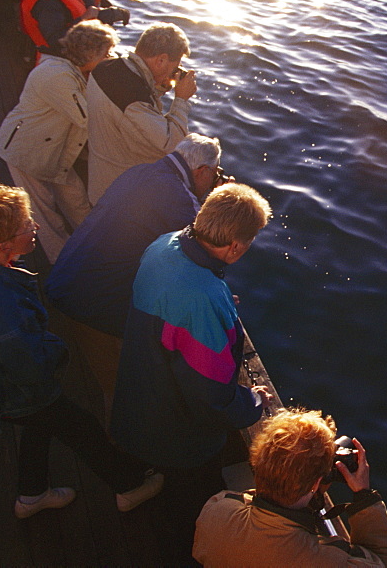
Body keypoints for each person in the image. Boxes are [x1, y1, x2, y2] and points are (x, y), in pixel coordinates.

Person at [0, 185, 164, 519]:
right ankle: (130, 487)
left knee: (40, 424)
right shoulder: (5, 312)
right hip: (10, 388)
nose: (34, 227)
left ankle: (32, 496)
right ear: (4, 245)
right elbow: (31, 368)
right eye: (26, 225)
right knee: (81, 428)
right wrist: (58, 350)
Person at [109, 182, 272, 561]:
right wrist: (252, 403)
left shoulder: (163, 245)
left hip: (139, 394)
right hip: (177, 433)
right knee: (194, 503)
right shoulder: (202, 299)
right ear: (235, 247)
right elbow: (213, 394)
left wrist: (215, 302)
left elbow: (172, 310)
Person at [45, 133, 227, 407]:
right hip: (89, 299)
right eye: (215, 174)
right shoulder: (178, 198)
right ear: (202, 171)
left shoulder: (139, 172)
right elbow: (206, 255)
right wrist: (218, 201)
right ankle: (123, 440)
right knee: (122, 385)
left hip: (64, 276)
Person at [193, 407, 387, 567]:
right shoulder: (328, 560)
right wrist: (364, 498)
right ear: (316, 483)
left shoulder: (215, 511)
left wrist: (297, 480)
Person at [0, 19, 117, 263]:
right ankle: (63, 264)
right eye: (106, 53)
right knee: (46, 215)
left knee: (77, 201)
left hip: (56, 151)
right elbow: (88, 119)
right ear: (89, 54)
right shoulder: (56, 76)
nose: (110, 57)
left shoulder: (78, 70)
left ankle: (97, 244)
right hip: (27, 152)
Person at [86, 22, 197, 204]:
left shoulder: (106, 67)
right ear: (160, 60)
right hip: (118, 194)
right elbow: (171, 144)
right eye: (174, 66)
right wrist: (181, 100)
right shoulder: (133, 97)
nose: (175, 72)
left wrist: (157, 89)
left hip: (100, 171)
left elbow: (127, 117)